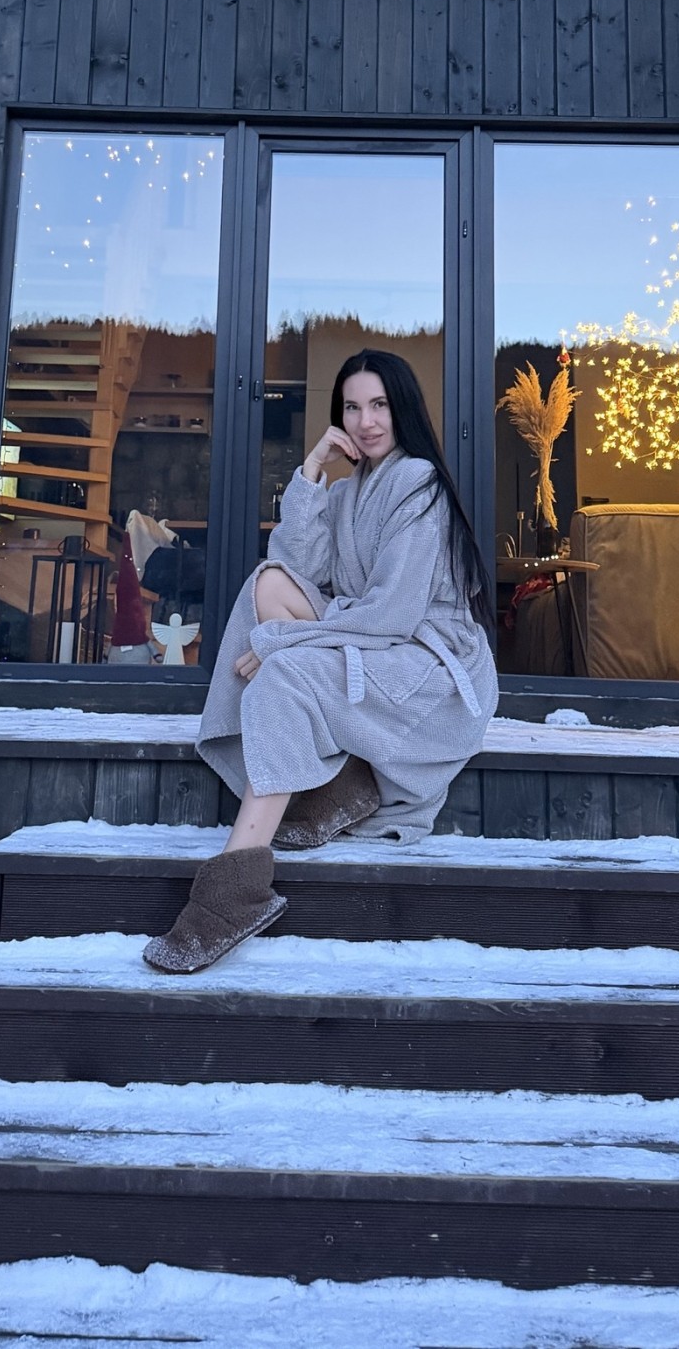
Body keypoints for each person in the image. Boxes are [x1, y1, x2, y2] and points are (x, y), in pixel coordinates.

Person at [143, 349, 498, 974]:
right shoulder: (349, 490)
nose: (366, 421)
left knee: (283, 672)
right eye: (352, 408)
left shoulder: (420, 485)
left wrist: (284, 646)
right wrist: (310, 473)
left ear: (403, 408)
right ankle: (340, 782)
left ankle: (232, 891)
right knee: (267, 584)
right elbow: (298, 566)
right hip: (376, 643)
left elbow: (393, 614)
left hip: (427, 668)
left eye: (379, 405)